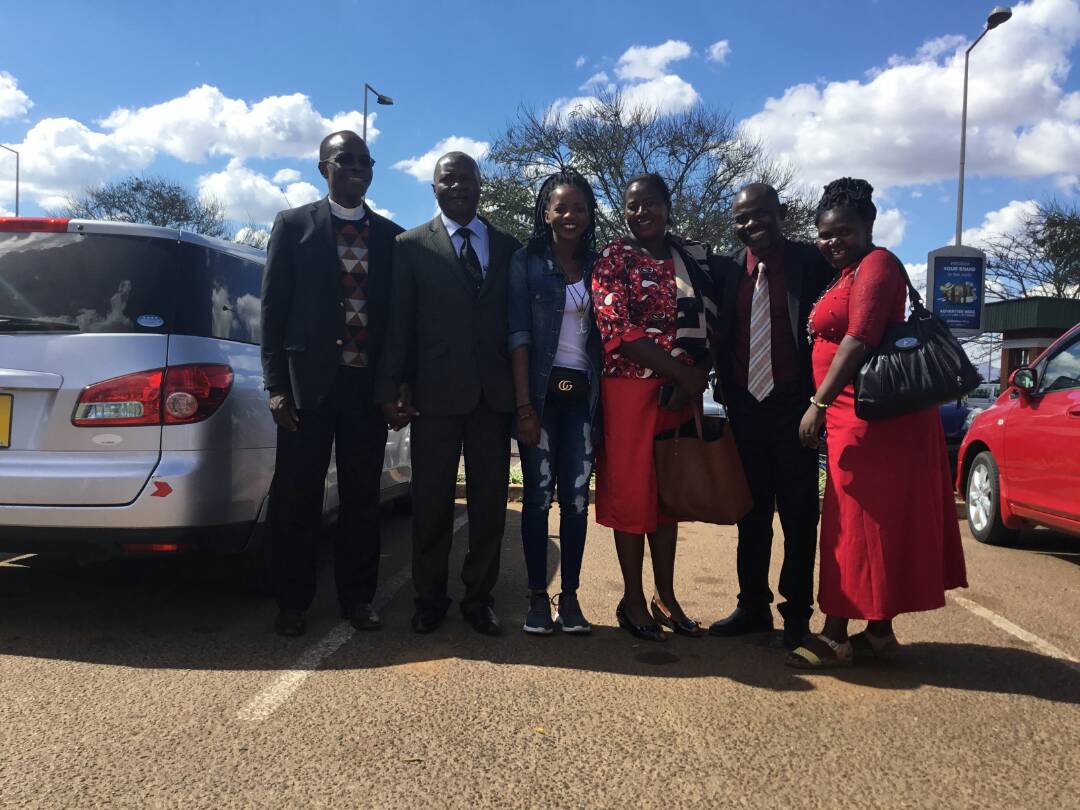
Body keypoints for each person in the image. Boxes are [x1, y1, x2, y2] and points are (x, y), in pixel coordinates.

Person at [789, 177, 968, 668]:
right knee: (872, 526)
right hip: (858, 417)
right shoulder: (845, 272)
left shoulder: (878, 264)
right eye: (825, 234)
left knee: (854, 526)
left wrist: (817, 405)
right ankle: (879, 633)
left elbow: (860, 337)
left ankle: (834, 634)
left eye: (843, 231)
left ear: (868, 226)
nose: (832, 242)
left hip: (872, 419)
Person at [260, 131, 404, 637]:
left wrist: (396, 387)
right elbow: (273, 312)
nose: (358, 168)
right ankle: (292, 603)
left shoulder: (391, 238)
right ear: (324, 166)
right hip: (306, 389)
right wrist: (275, 386)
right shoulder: (293, 225)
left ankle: (358, 599)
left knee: (362, 500)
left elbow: (397, 322)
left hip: (365, 392)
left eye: (366, 161)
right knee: (297, 498)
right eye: (347, 160)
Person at [376, 152, 521, 636]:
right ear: (433, 187)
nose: (457, 185)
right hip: (433, 397)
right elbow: (399, 321)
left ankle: (479, 599)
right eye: (447, 178)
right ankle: (429, 598)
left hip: (491, 397)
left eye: (466, 177)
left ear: (481, 184)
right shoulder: (410, 245)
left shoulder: (506, 246)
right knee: (432, 504)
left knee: (488, 508)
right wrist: (392, 384)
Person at [590, 173, 718, 641]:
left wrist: (692, 377)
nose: (641, 212)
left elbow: (712, 321)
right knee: (631, 496)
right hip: (628, 392)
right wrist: (680, 373)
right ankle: (632, 598)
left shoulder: (690, 258)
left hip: (679, 396)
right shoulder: (615, 257)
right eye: (632, 205)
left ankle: (666, 596)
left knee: (668, 499)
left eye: (650, 204)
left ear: (668, 206)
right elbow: (615, 330)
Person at [707, 183, 833, 650]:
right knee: (751, 515)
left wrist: (819, 403)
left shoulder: (811, 263)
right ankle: (752, 607)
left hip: (796, 409)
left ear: (779, 213)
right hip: (745, 409)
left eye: (759, 214)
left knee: (800, 516)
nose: (750, 224)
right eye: (741, 218)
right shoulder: (727, 271)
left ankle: (797, 616)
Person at [507, 170, 602, 636]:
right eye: (561, 207)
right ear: (546, 212)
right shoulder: (526, 263)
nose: (570, 216)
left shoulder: (601, 266)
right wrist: (524, 408)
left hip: (584, 399)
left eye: (579, 208)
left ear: (589, 214)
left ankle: (571, 598)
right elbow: (519, 337)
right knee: (538, 499)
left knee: (578, 502)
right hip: (542, 398)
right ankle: (537, 598)